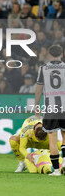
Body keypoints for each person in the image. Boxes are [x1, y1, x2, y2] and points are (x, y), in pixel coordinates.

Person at [35, 45, 65, 176]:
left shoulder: (43, 68)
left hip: (51, 108)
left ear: (49, 54)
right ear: (62, 54)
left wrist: (37, 105)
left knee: (52, 139)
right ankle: (64, 162)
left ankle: (57, 171)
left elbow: (39, 88)